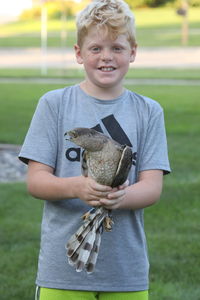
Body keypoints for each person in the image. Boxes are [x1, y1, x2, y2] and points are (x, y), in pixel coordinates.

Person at [19, 0, 171, 299]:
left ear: (133, 52)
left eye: (117, 48)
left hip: (125, 272)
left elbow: (152, 188)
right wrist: (77, 187)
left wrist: (118, 196)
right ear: (79, 53)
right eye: (96, 48)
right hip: (61, 273)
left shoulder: (148, 111)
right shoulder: (55, 104)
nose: (106, 57)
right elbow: (36, 181)